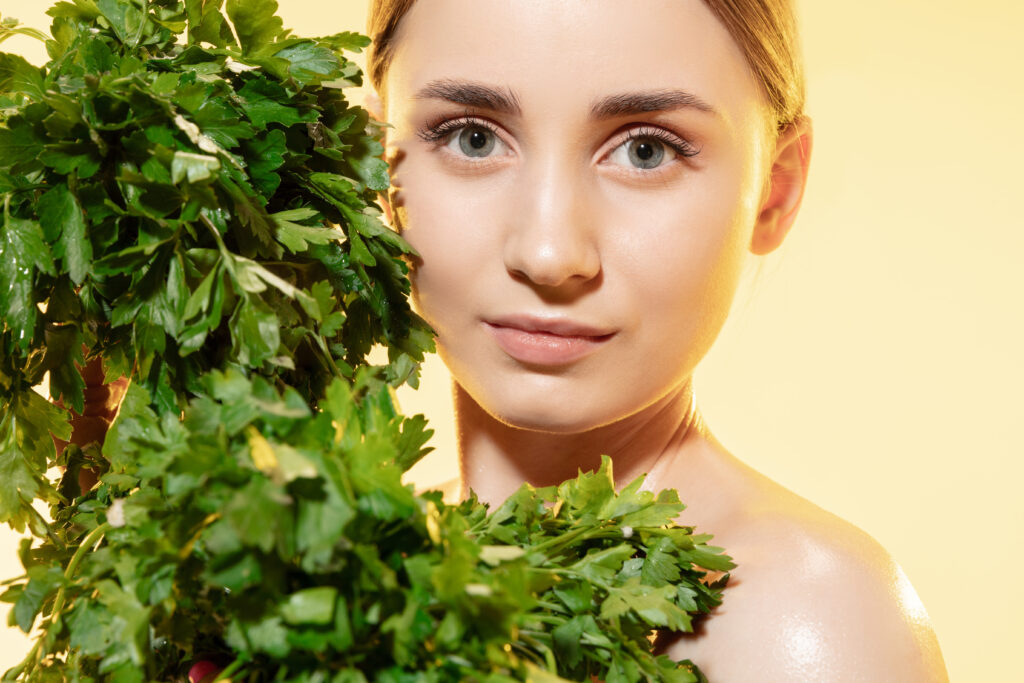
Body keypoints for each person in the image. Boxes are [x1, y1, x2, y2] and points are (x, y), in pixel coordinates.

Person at [356, 0, 950, 680]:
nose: (550, 252)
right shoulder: (331, 566)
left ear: (775, 190)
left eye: (646, 150)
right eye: (473, 138)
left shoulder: (808, 627)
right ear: (372, 158)